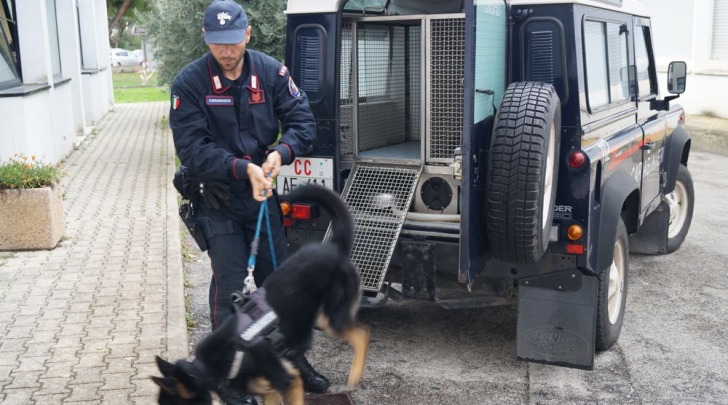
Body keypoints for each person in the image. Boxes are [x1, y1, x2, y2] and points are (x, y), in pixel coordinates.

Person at [169, 1, 328, 403]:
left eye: (233, 41)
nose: (226, 51)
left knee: (278, 287)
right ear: (206, 38)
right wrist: (243, 169)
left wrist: (281, 153)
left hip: (263, 196)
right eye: (217, 42)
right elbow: (191, 147)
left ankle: (292, 358)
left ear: (247, 34)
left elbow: (302, 121)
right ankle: (227, 378)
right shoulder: (189, 83)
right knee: (230, 287)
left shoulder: (271, 71)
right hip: (218, 198)